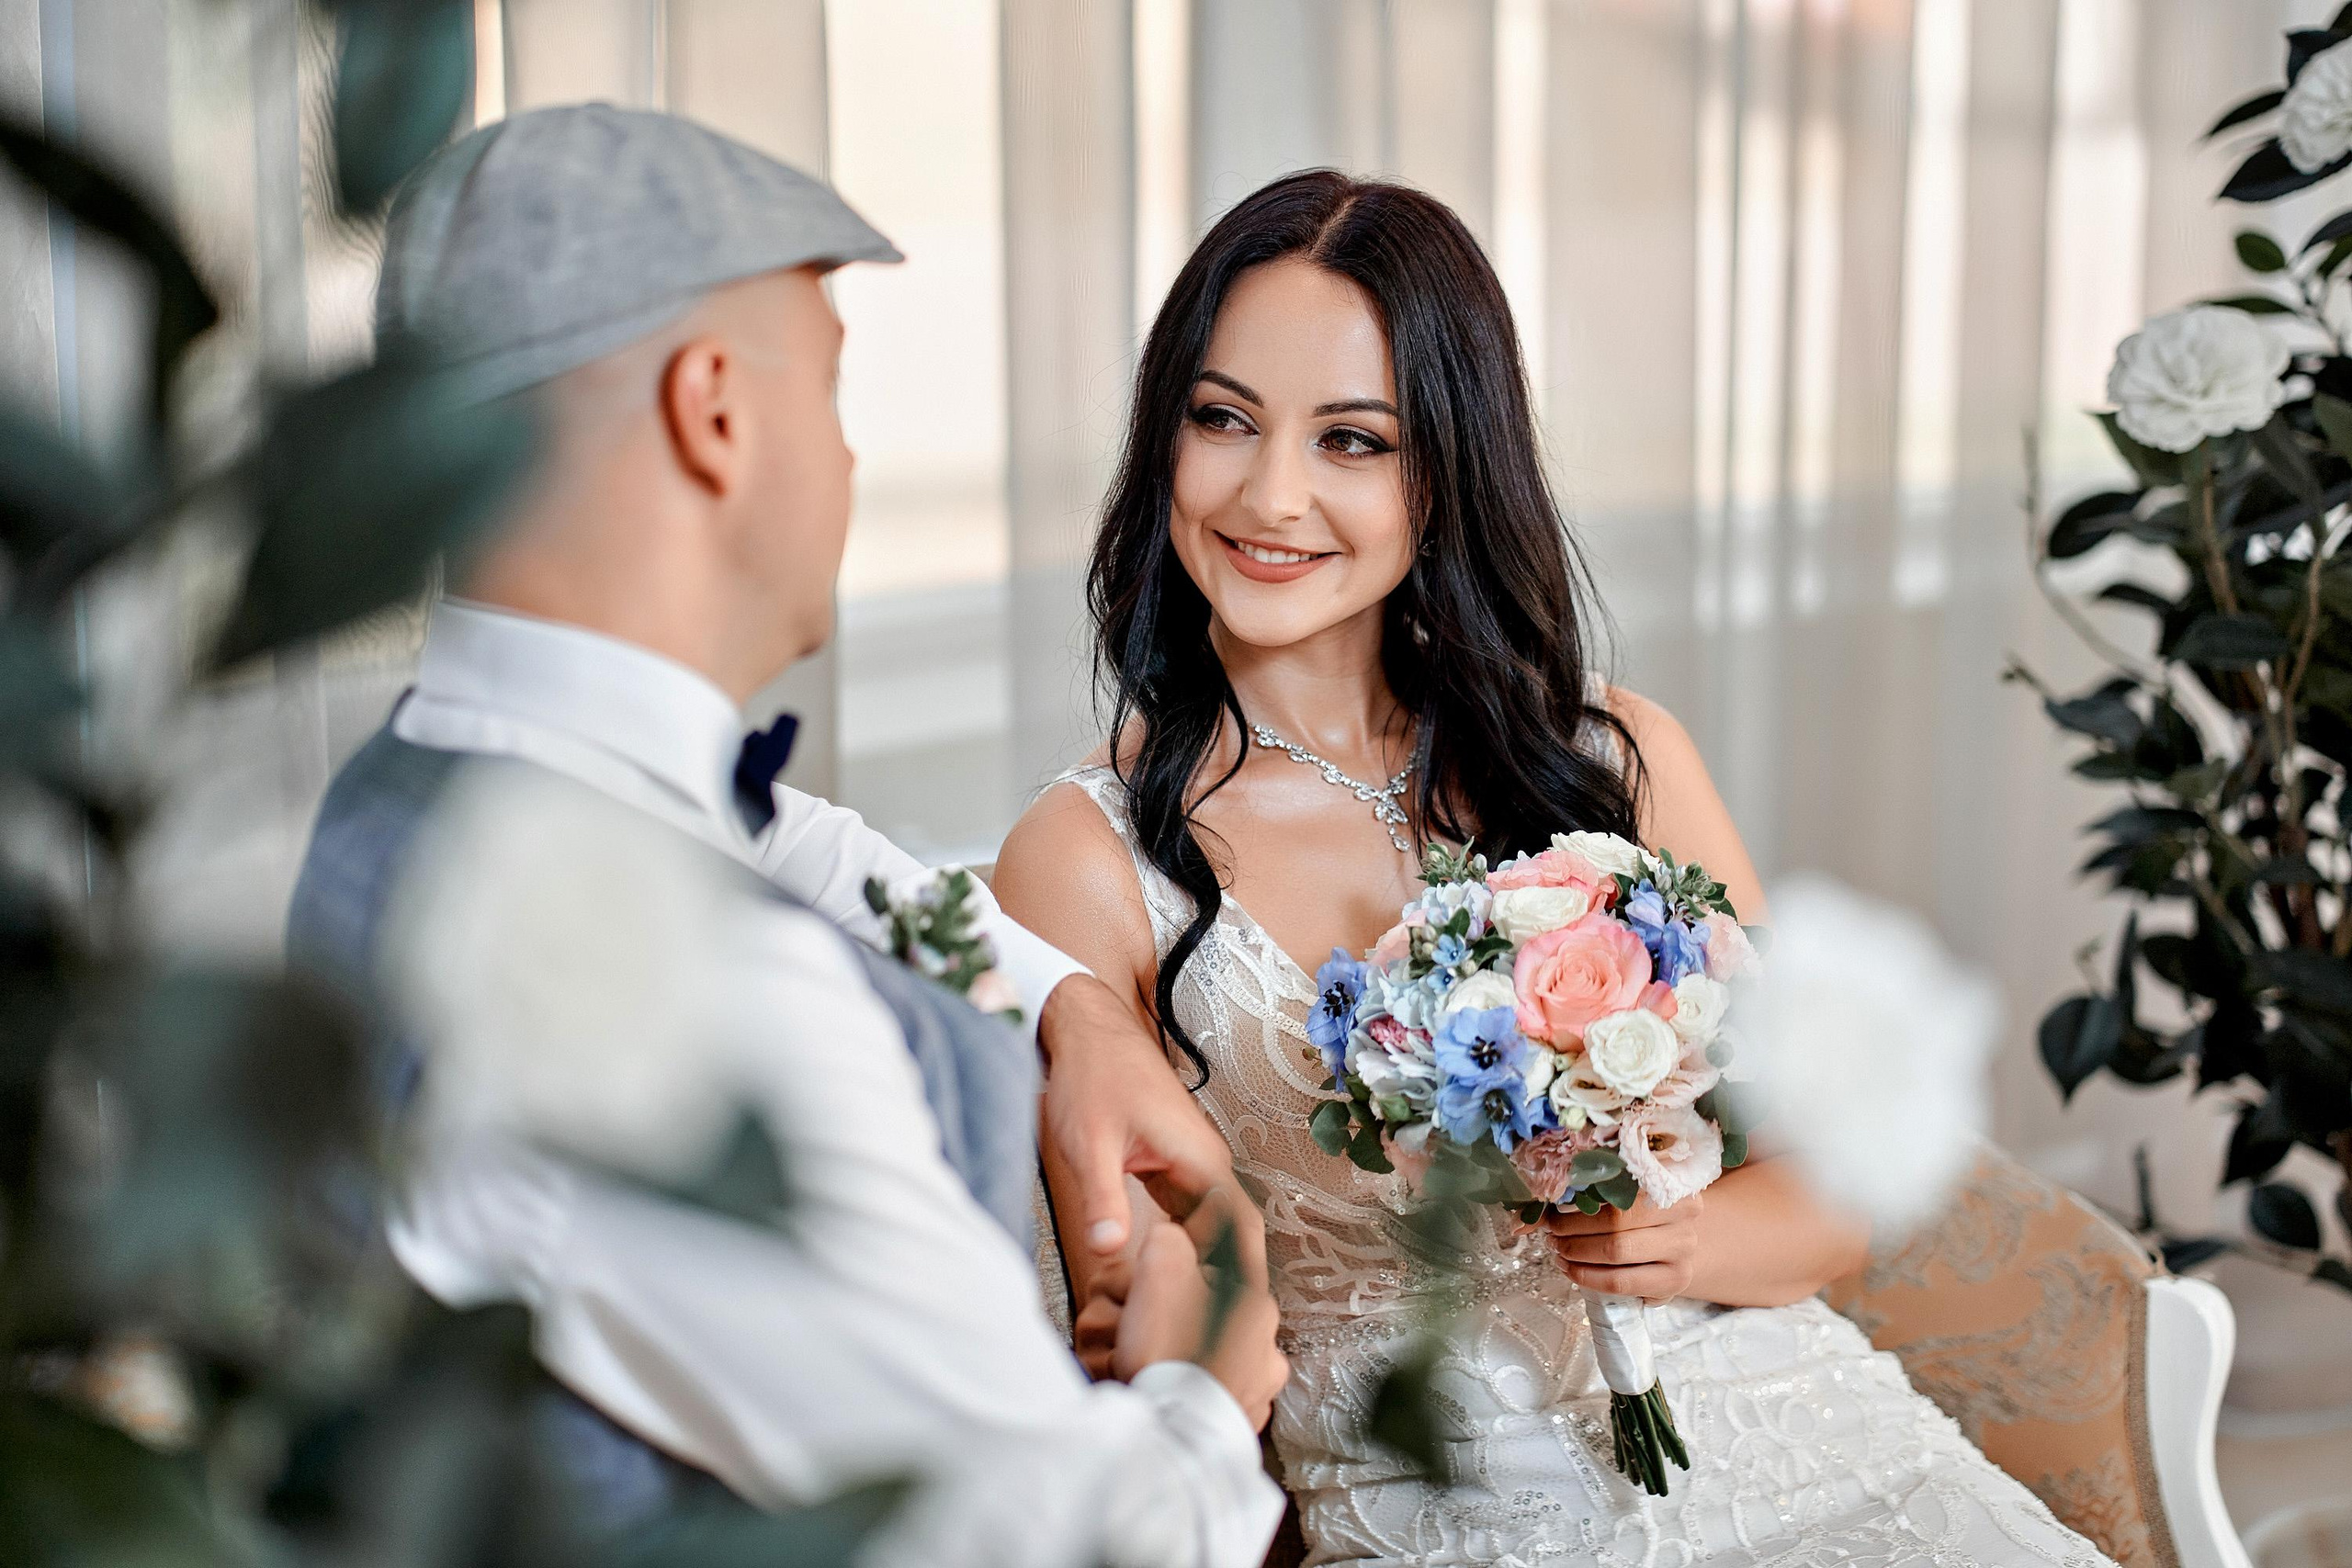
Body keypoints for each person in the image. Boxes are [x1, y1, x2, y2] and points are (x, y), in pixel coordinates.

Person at [992, 171, 2115, 1568]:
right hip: (1455, 1496)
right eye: (1223, 419)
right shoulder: (1086, 856)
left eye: (1354, 441)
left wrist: (1684, 1241)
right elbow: (1139, 1315)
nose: (1269, 493)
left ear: (1449, 467)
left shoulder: (1617, 756)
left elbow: (1825, 1194)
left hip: (1799, 1426)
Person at [287, 105, 1285, 1567]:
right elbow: (1066, 1537)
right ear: (715, 411)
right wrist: (1214, 1368)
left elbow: (780, 842)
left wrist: (1076, 1013)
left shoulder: (446, 788)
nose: (849, 462)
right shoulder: (669, 1009)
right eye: (827, 391)